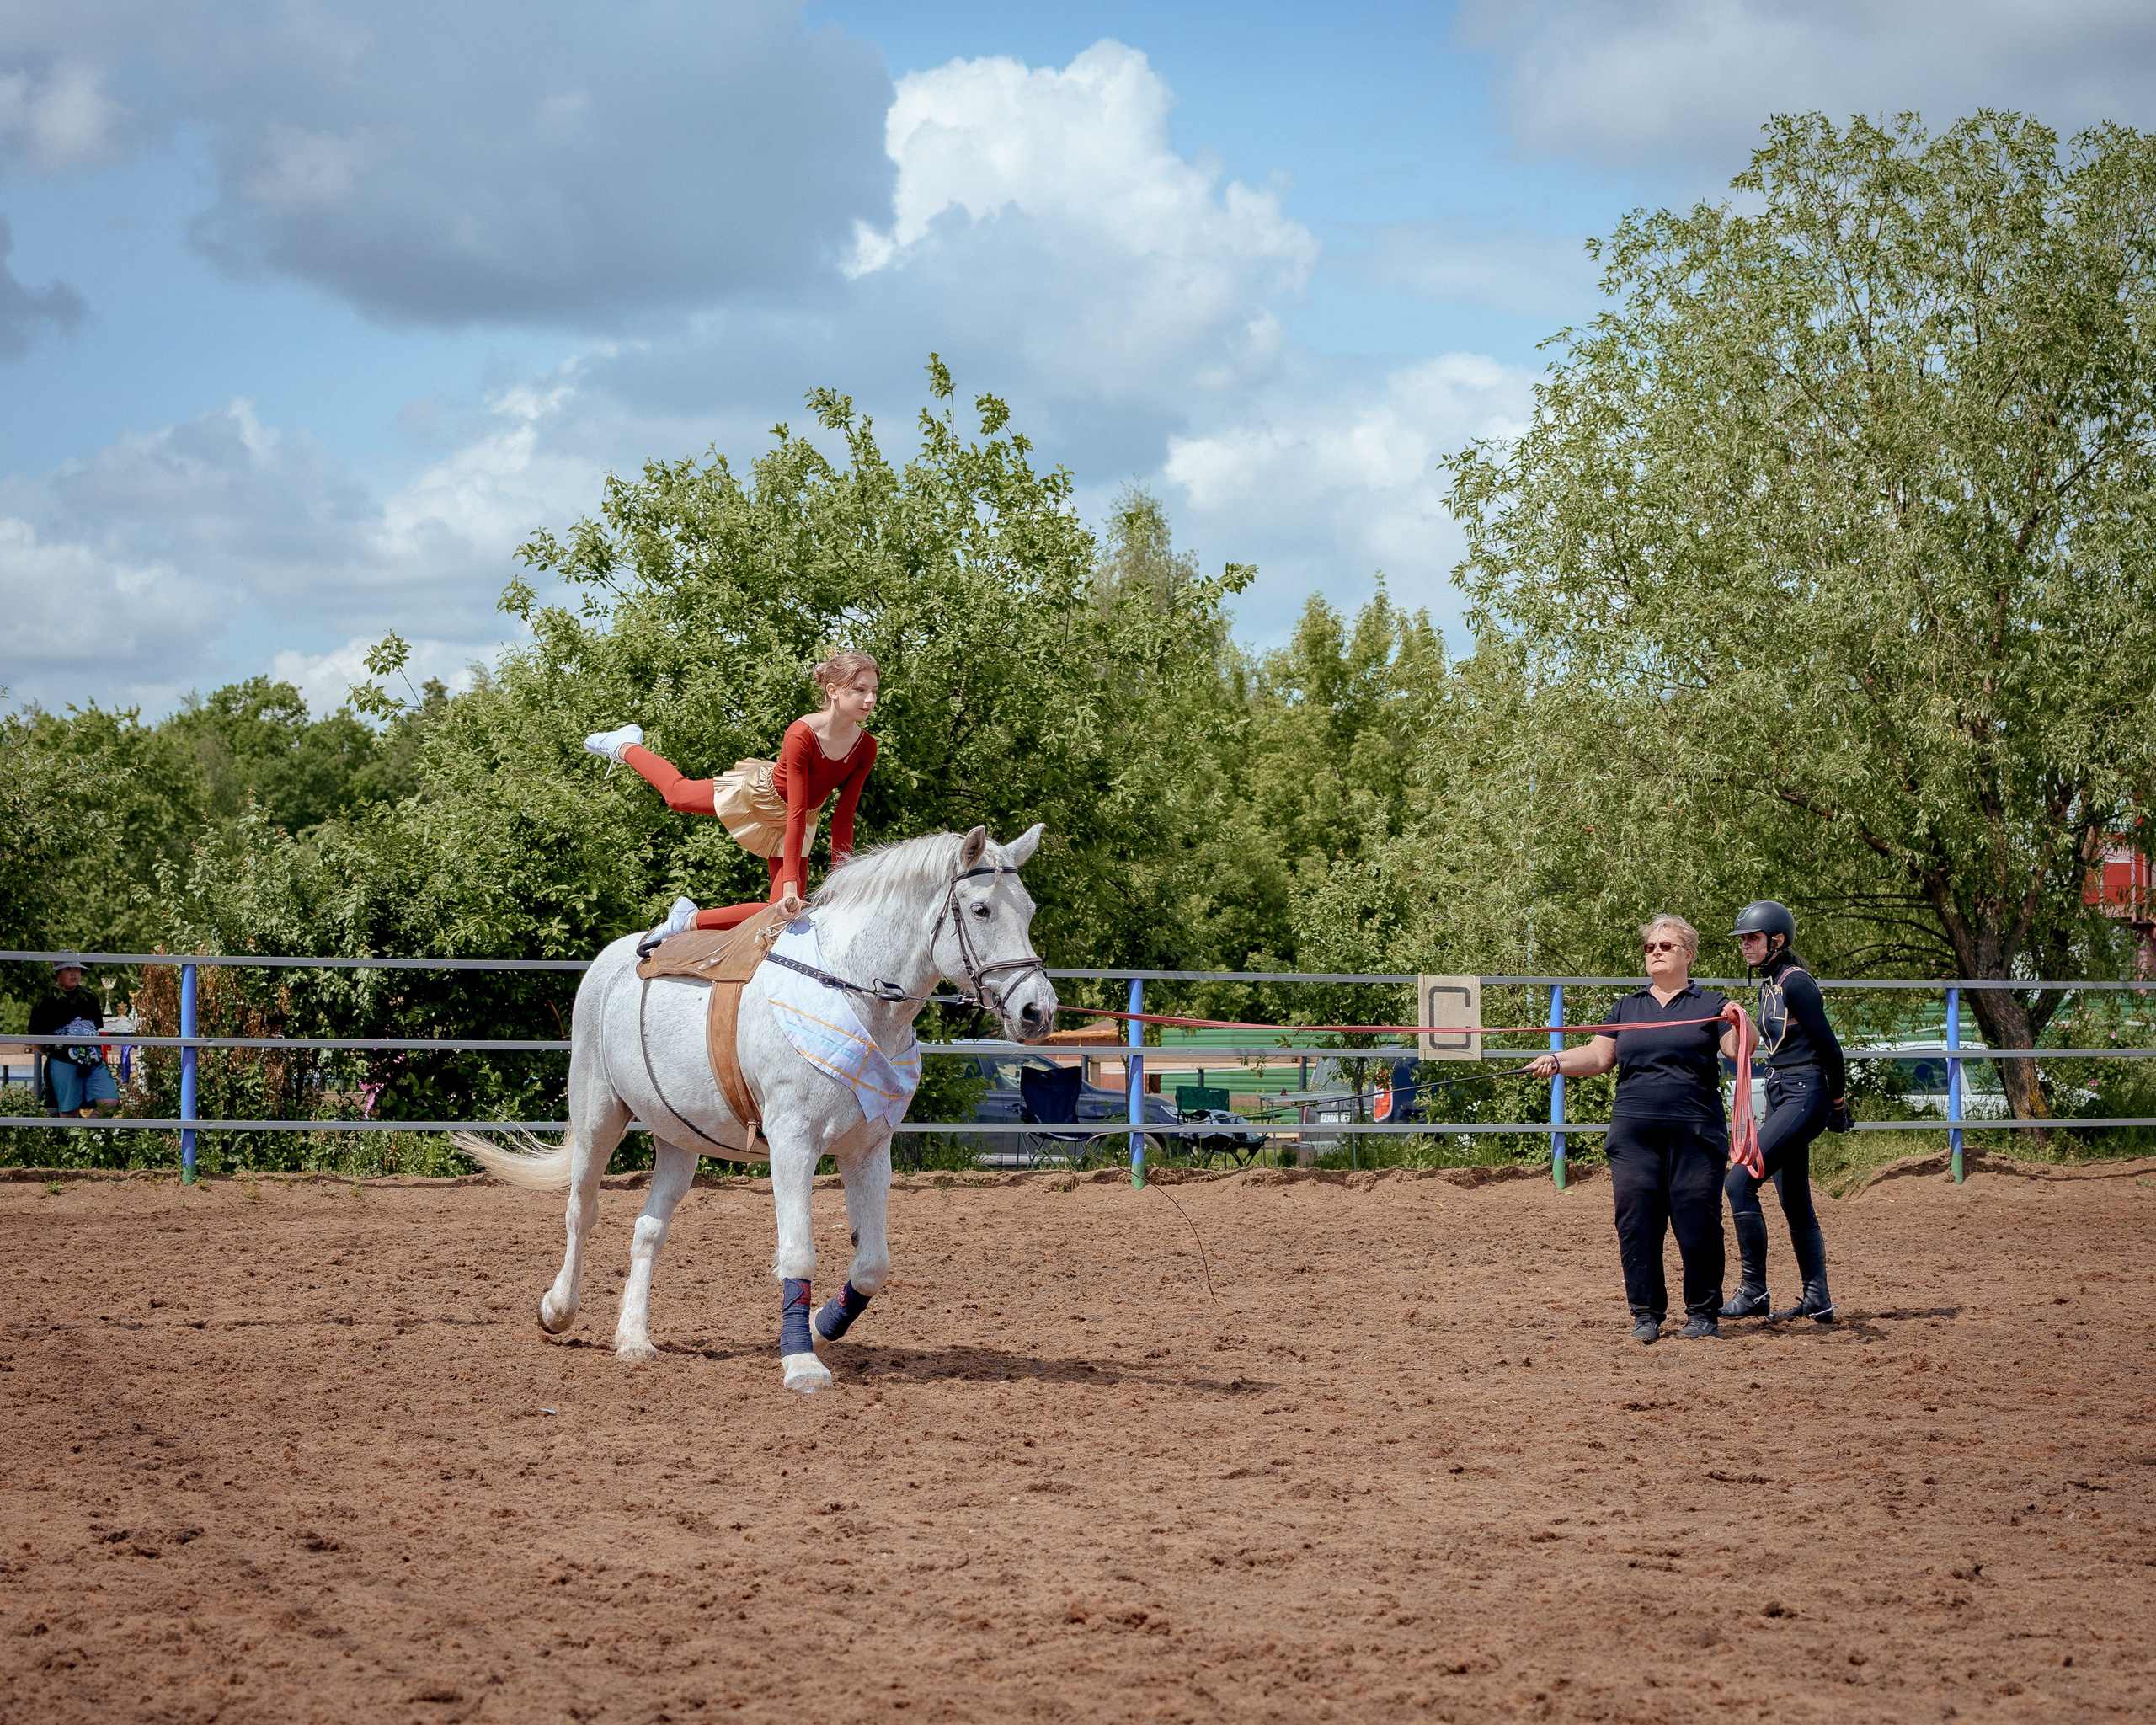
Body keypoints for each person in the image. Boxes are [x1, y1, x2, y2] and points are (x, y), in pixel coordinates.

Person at [1529, 915, 1746, 1344]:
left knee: (1697, 1221)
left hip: (1696, 1134)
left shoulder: (1712, 1004)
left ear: (1688, 953)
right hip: (1634, 1136)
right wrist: (1556, 1061)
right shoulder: (1627, 1008)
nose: (1656, 952)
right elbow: (1598, 1055)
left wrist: (1742, 1021)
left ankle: (1703, 1313)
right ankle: (1645, 1314)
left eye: (1666, 946)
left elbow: (1739, 1050)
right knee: (1636, 1222)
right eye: (1650, 947)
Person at [584, 653, 881, 936]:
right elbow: (795, 810)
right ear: (833, 690)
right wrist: (791, 883)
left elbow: (842, 819)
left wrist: (842, 881)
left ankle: (687, 921)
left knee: (780, 913)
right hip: (760, 797)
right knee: (677, 795)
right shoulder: (801, 733)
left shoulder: (865, 747)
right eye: (860, 689)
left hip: (802, 820)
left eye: (874, 691)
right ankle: (623, 746)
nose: (869, 700)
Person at [1721, 900, 1849, 1324]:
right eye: (1743, 940)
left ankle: (1755, 1290)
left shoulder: (1796, 984)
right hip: (1781, 1091)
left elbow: (1831, 1050)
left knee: (1739, 1181)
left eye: (1753, 939)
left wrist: (1837, 1103)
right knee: (1793, 1198)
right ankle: (1818, 1299)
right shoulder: (1770, 983)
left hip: (1804, 1091)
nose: (1746, 946)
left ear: (1777, 940)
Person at [31, 959, 119, 1118]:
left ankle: (88, 1135)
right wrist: (54, 1056)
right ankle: (71, 1140)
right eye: (67, 970)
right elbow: (36, 1036)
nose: (73, 973)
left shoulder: (89, 996)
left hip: (93, 1060)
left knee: (110, 1101)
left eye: (77, 970)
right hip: (63, 1060)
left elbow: (96, 1029)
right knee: (69, 1110)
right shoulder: (46, 998)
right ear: (56, 975)